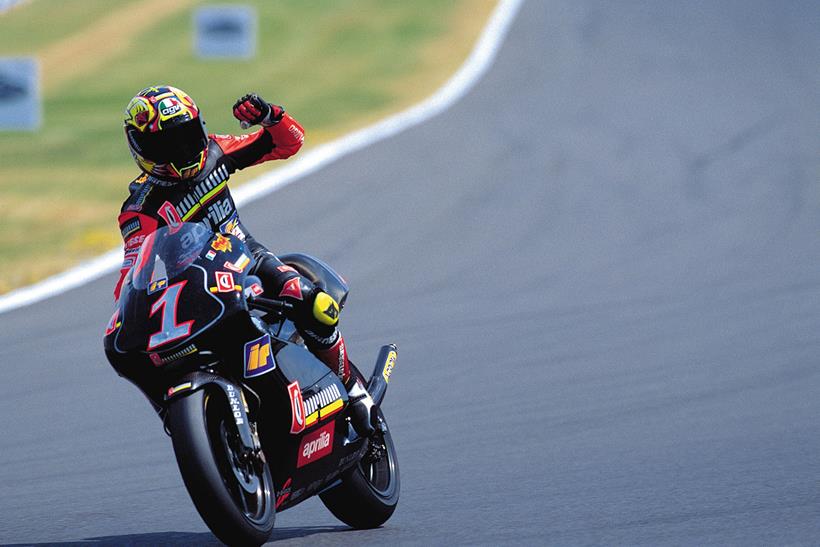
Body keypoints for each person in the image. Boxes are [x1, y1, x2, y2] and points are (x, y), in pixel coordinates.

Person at [115, 85, 374, 436]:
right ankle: (176, 418)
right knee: (132, 346)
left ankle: (355, 392)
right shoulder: (140, 208)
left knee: (317, 306)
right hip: (196, 285)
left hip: (249, 259)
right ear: (142, 149)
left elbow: (289, 143)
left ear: (200, 128)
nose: (180, 150)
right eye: (164, 144)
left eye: (186, 136)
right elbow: (133, 270)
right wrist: (129, 306)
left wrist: (271, 116)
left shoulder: (216, 152)